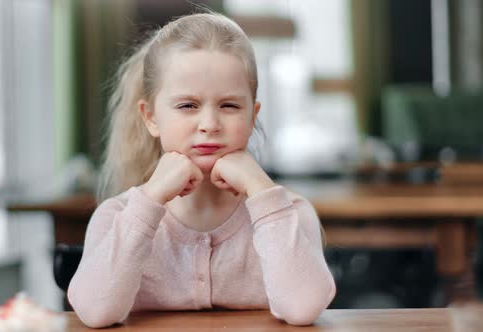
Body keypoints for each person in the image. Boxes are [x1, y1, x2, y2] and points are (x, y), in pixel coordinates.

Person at [68, 12, 336, 328]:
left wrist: (262, 191)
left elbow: (303, 308)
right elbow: (94, 311)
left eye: (230, 106)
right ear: (151, 117)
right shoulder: (118, 216)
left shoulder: (288, 212)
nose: (209, 125)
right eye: (187, 106)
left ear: (253, 116)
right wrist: (150, 197)